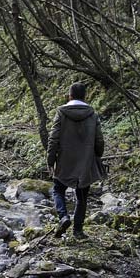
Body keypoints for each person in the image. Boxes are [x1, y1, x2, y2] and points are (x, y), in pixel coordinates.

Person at [47, 82, 105, 238]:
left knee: (58, 190)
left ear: (69, 95)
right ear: (85, 96)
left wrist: (50, 160)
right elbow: (99, 139)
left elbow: (53, 138)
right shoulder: (92, 114)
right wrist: (97, 156)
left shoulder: (61, 113)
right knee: (82, 196)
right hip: (85, 160)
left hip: (65, 159)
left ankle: (63, 217)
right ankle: (78, 231)